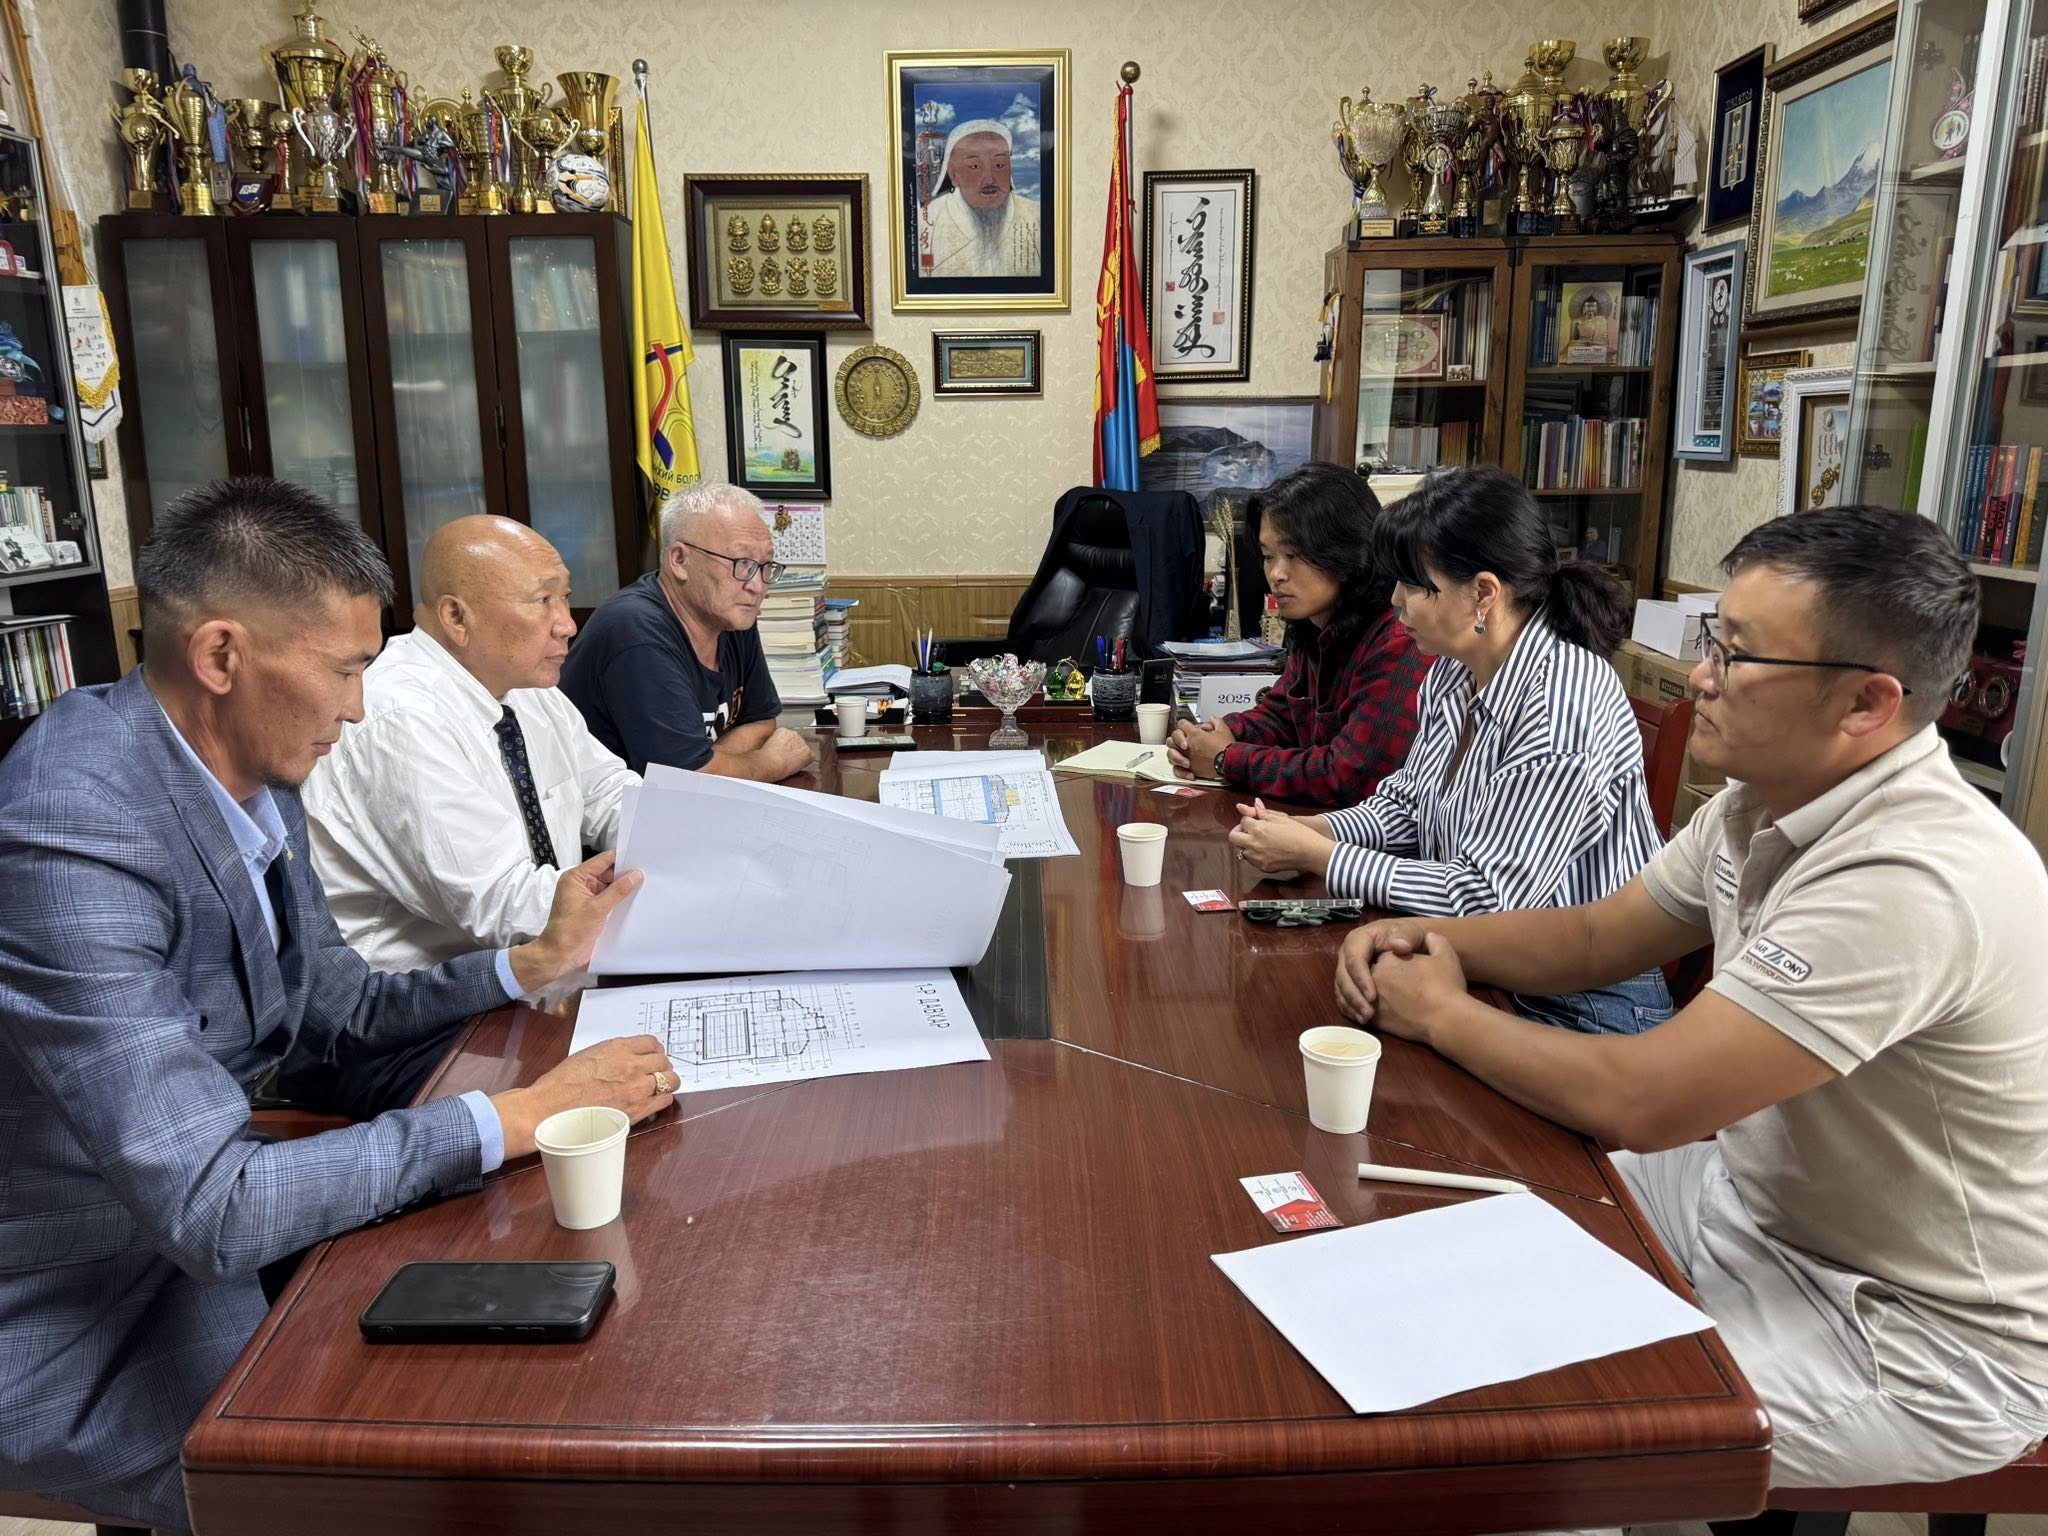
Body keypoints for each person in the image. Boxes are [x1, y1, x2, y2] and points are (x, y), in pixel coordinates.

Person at [0, 478, 679, 1532]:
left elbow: (339, 1009)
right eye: (345, 670)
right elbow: (215, 1209)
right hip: (86, 1313)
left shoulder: (252, 767)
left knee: (545, 1352)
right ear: (221, 656)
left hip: (200, 1229)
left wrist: (526, 965)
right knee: (418, 1474)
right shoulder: (73, 830)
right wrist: (517, 1115)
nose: (360, 708)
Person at [1335, 505, 2048, 1493]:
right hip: (1750, 1201)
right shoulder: (1762, 798)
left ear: (1865, 704)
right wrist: (1434, 938)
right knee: (1447, 1246)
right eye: (1715, 637)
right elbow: (1597, 936)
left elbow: (1644, 1100)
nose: (1701, 675)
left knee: (1512, 1422)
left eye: (1737, 655)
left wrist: (1442, 1012)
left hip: (1911, 1330)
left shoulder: (1912, 875)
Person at [1230, 466, 1670, 1035]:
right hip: (1477, 965)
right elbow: (1405, 805)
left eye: (1414, 586)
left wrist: (1325, 858)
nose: (1395, 600)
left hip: (1578, 1002)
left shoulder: (1561, 704)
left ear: (1483, 593)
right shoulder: (1454, 669)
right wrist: (1312, 831)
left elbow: (1490, 902)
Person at [303, 515, 638, 972]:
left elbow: (610, 794)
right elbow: (499, 903)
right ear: (456, 617)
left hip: (536, 968)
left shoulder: (527, 688)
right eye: (542, 600)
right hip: (429, 994)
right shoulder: (401, 715)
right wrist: (636, 886)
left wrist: (686, 841)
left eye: (565, 597)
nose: (567, 625)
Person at [1165, 464, 1427, 807]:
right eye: (1267, 556)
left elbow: (1352, 777)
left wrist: (1225, 758)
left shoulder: (1400, 637)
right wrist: (1205, 739)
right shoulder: (1313, 624)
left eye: (1293, 555)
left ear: (1348, 547)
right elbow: (1281, 716)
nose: (1276, 574)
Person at [560, 482, 811, 780]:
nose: (757, 585)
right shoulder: (635, 628)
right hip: (602, 808)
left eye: (765, 565)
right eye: (742, 563)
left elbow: (761, 722)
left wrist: (708, 762)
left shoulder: (731, 614)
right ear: (680, 560)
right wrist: (772, 762)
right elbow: (682, 780)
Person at [922, 117, 1041, 279]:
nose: (989, 180)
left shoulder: (1037, 216)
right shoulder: (927, 222)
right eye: (974, 166)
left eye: (999, 165)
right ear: (953, 174)